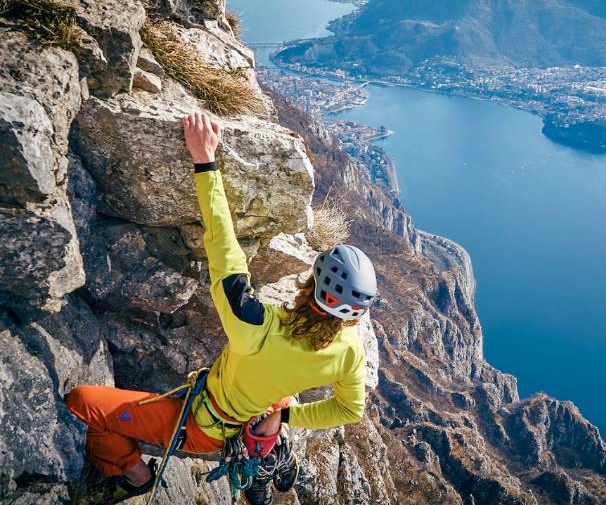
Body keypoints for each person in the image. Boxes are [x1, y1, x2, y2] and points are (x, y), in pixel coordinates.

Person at [66, 112, 378, 505]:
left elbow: (224, 251)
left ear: (310, 285)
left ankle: (134, 474)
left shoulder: (256, 326)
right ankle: (272, 450)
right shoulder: (349, 351)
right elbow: (349, 411)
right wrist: (283, 417)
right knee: (276, 397)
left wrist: (205, 162)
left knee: (82, 401)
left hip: (206, 429)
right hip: (260, 411)